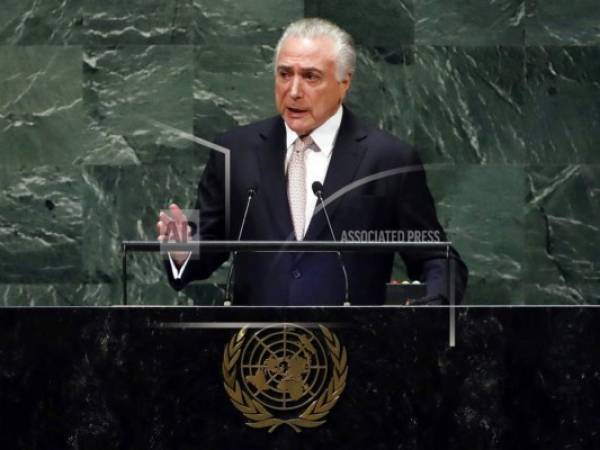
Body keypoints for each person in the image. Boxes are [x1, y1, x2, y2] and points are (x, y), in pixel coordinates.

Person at [157, 18, 468, 306]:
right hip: (255, 353)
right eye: (284, 74)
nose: (293, 91)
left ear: (344, 83)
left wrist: (436, 303)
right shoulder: (234, 152)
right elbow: (206, 247)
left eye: (310, 77)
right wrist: (182, 253)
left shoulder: (388, 159)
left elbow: (436, 257)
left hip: (352, 350)